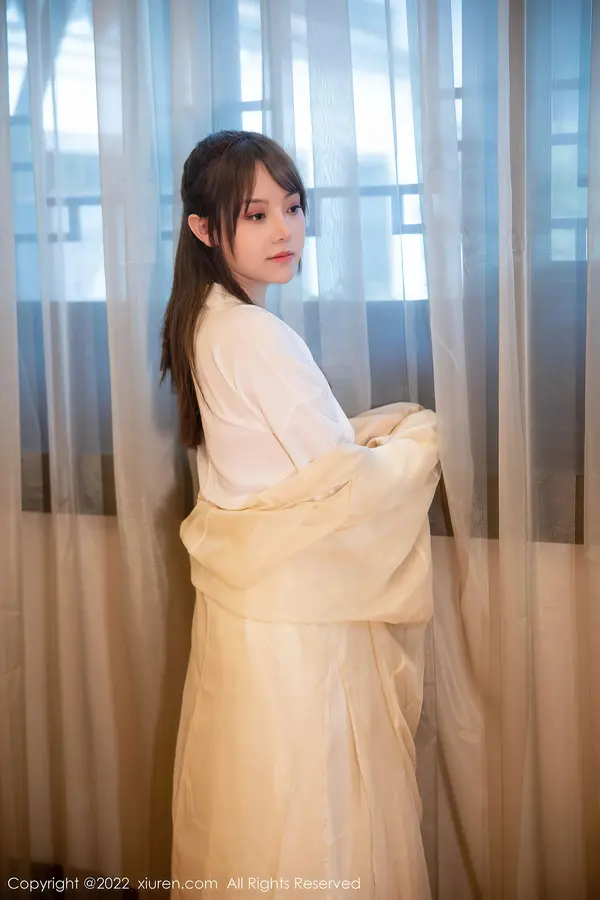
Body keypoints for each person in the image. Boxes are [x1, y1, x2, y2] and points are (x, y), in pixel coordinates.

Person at [160, 131, 439, 899]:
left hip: (245, 619)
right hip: (296, 625)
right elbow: (346, 486)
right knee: (317, 817)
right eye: (255, 215)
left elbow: (292, 463)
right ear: (204, 228)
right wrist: (420, 440)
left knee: (254, 808)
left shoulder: (204, 321)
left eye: (292, 207)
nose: (284, 230)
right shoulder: (255, 334)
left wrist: (365, 439)